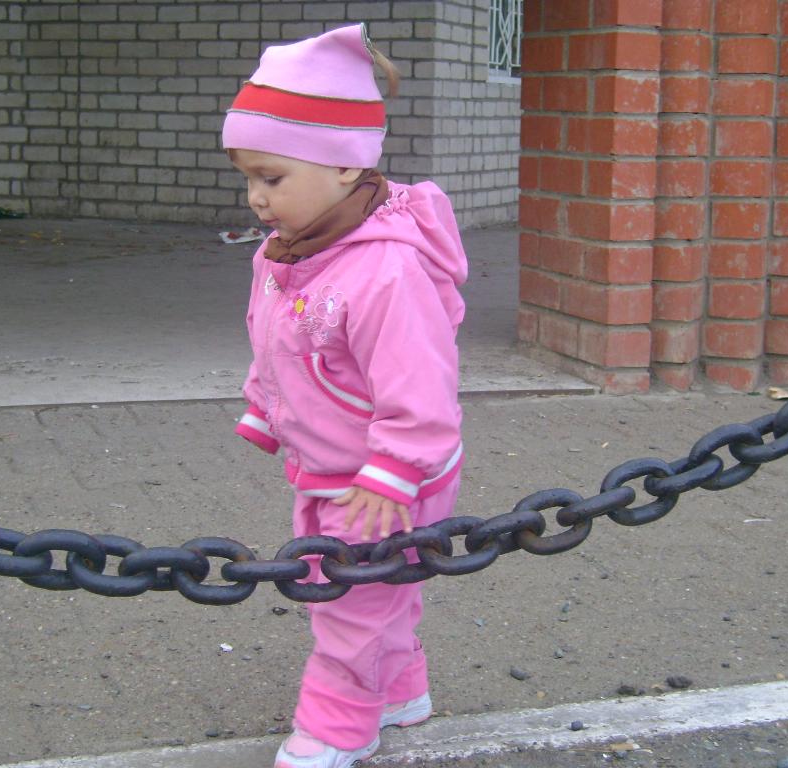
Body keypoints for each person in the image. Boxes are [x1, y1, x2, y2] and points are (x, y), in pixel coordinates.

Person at [221, 23, 468, 768]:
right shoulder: (285, 257)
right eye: (248, 179)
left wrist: (394, 471)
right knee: (380, 594)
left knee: (350, 606)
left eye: (272, 178)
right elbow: (277, 342)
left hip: (389, 475)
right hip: (330, 466)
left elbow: (423, 389)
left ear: (343, 166)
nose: (256, 198)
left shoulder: (386, 272)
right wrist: (266, 406)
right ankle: (400, 692)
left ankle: (338, 728)